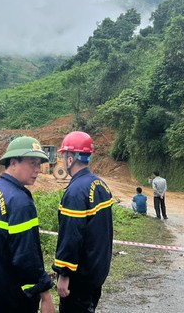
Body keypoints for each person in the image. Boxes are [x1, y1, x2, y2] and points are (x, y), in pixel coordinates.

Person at [0, 136, 55, 313]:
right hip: (11, 297)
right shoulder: (20, 201)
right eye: (32, 163)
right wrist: (45, 294)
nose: (38, 170)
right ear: (13, 162)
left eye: (39, 164)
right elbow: (27, 256)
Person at [53, 131, 114, 313]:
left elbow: (71, 237)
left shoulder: (75, 192)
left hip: (80, 279)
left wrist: (64, 274)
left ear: (70, 159)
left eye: (64, 156)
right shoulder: (100, 185)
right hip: (97, 272)